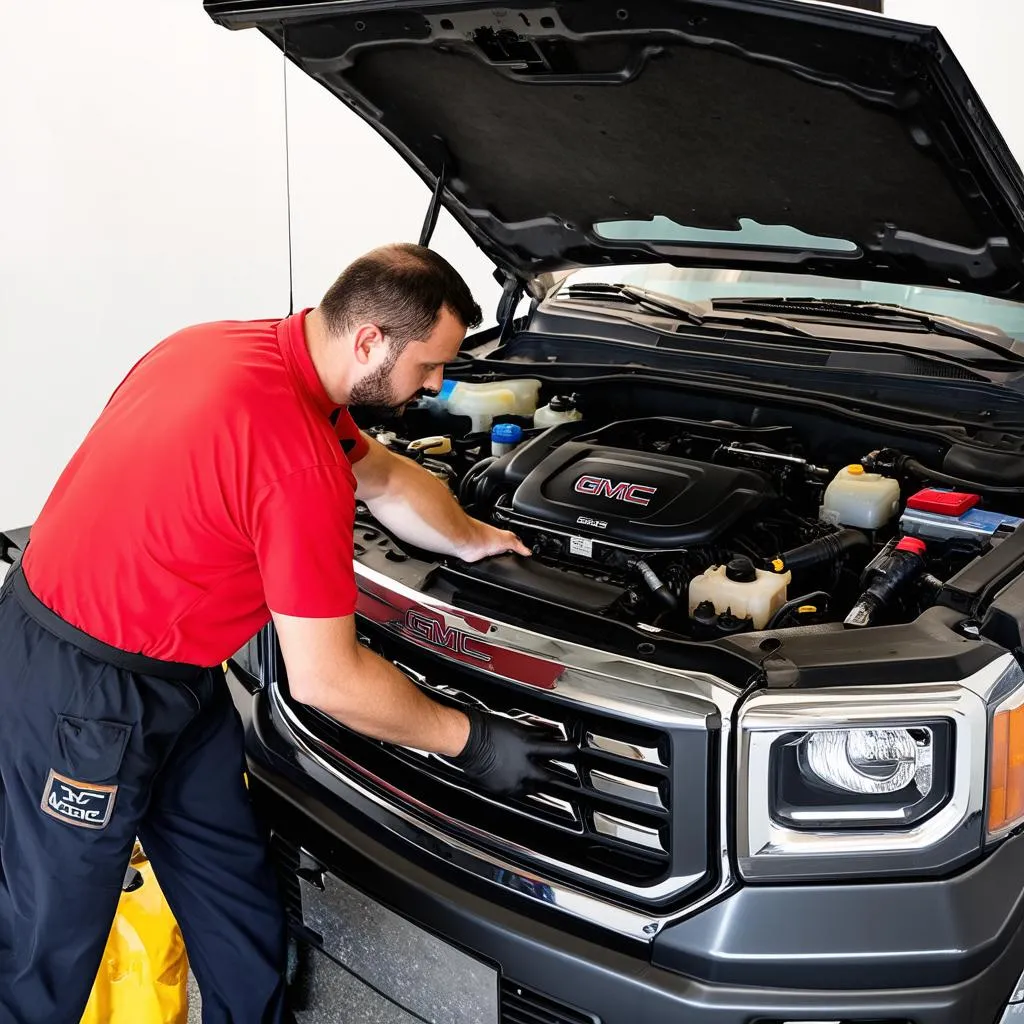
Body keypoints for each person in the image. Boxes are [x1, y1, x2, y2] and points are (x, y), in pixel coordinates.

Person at [0, 243, 574, 1023]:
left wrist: (476, 538)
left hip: (178, 673)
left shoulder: (231, 348)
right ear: (370, 339)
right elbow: (327, 681)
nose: (437, 386)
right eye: (429, 367)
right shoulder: (295, 464)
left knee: (231, 891)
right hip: (83, 695)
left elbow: (389, 477)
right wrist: (470, 739)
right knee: (49, 942)